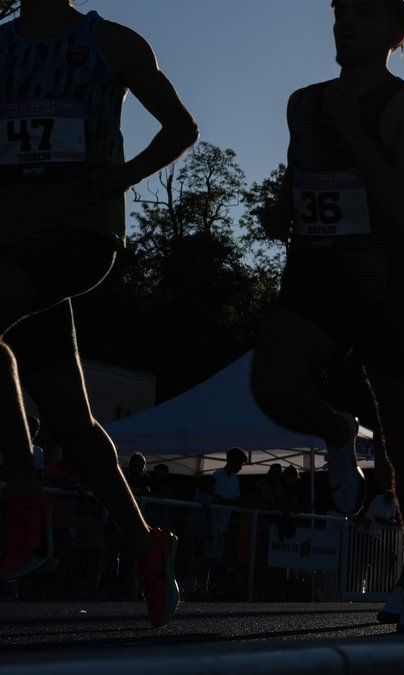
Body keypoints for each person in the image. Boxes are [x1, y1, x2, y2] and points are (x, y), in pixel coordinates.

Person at [0, 0, 198, 628]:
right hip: (10, 249)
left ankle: (26, 502)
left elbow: (180, 127)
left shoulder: (110, 41)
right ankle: (148, 546)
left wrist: (129, 173)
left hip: (81, 235)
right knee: (73, 425)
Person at [249, 0, 404, 634]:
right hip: (317, 275)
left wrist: (355, 135)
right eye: (340, 12)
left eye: (362, 13)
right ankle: (336, 430)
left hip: (384, 282)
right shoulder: (302, 102)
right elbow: (295, 189)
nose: (345, 23)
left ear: (395, 31)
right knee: (270, 383)